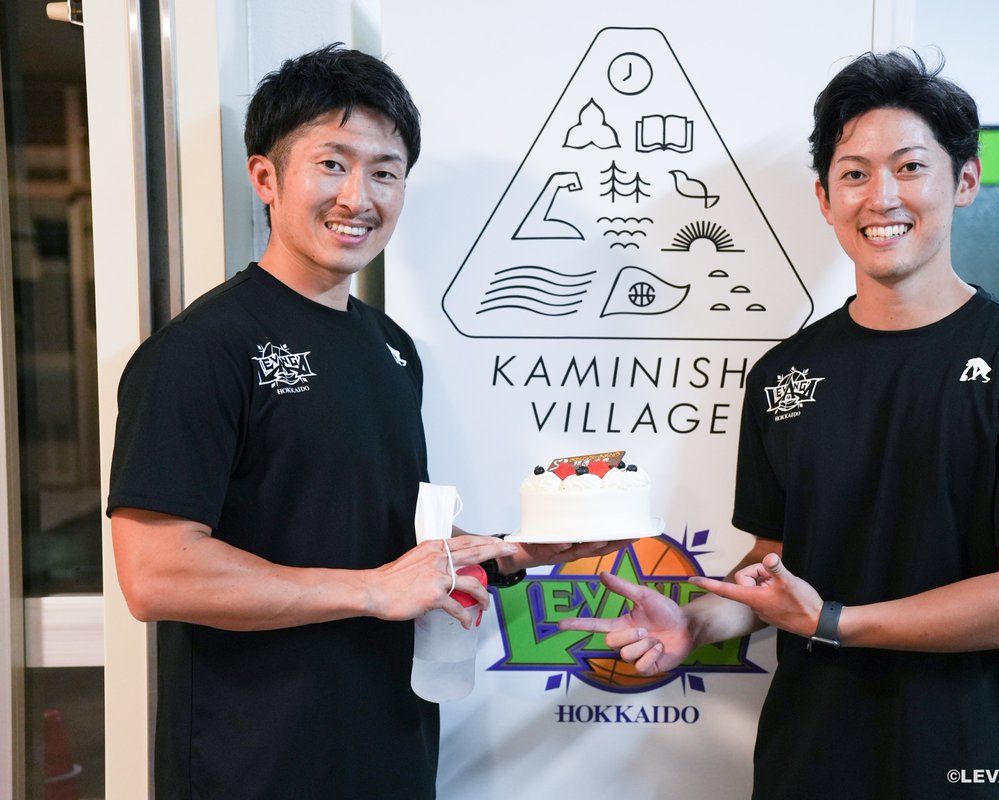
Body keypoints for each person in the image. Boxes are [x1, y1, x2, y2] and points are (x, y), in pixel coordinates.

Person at [560, 49, 999, 799]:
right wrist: (698, 623)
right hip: (808, 763)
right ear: (825, 199)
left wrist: (833, 621)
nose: (881, 197)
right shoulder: (783, 373)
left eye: (910, 167)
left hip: (972, 762)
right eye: (855, 174)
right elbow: (775, 561)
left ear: (965, 181)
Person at [108, 44, 622, 799]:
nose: (359, 197)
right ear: (266, 178)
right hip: (256, 765)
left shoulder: (390, 346)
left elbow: (379, 539)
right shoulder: (202, 350)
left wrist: (515, 552)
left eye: (385, 172)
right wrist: (371, 591)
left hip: (389, 748)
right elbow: (157, 575)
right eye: (332, 164)